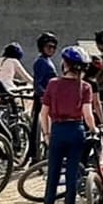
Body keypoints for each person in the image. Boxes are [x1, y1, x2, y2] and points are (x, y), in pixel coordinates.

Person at [32, 46, 97, 204]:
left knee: (52, 177)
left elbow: (44, 114)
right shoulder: (85, 87)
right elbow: (87, 114)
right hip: (76, 131)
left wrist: (46, 134)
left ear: (65, 64)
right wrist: (95, 130)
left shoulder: (53, 84)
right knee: (72, 177)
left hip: (58, 132)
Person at [29, 32, 59, 161]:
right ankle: (35, 156)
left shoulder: (47, 61)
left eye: (53, 47)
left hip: (49, 97)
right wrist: (43, 95)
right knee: (39, 127)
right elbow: (38, 83)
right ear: (42, 47)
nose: (51, 49)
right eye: (48, 46)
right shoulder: (41, 62)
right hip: (43, 98)